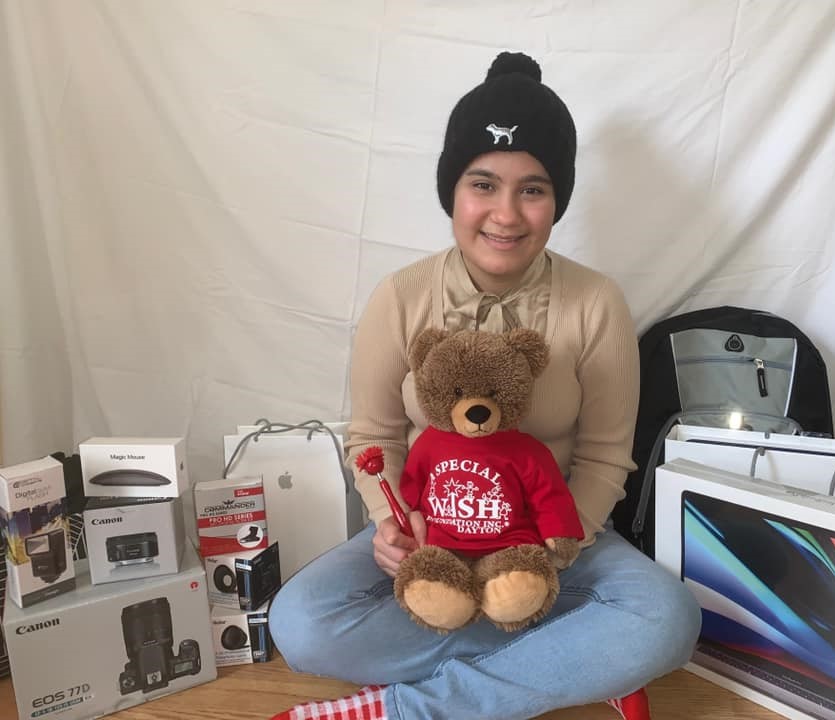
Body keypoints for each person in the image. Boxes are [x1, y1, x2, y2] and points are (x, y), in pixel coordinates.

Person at [268, 50, 701, 720]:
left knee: (668, 619)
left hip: (560, 541)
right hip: (432, 541)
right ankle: (563, 660)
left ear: (557, 199)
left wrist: (549, 553)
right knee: (299, 623)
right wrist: (393, 525)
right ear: (452, 190)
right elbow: (375, 436)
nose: (505, 214)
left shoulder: (595, 302)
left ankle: (413, 708)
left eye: (532, 189)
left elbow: (605, 456)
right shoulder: (401, 296)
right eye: (483, 184)